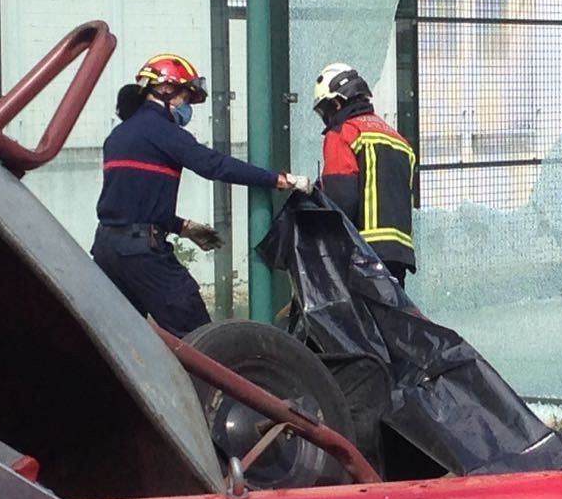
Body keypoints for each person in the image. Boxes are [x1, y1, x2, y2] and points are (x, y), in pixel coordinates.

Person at [92, 53, 300, 336]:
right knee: (200, 338)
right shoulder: (162, 131)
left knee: (122, 339)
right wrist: (275, 179)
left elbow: (131, 200)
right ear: (166, 90)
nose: (187, 107)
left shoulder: (118, 136)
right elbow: (213, 165)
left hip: (106, 248)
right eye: (186, 98)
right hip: (141, 252)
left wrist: (183, 228)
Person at [312, 62, 417, 285]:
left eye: (325, 109)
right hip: (399, 252)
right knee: (387, 317)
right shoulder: (397, 139)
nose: (326, 117)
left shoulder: (343, 133)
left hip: (362, 249)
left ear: (337, 103)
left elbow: (340, 198)